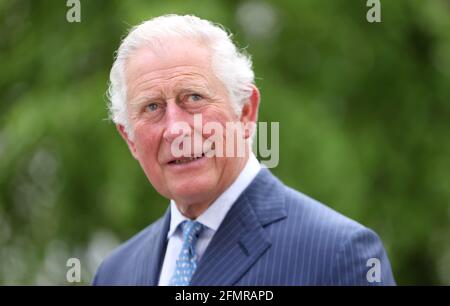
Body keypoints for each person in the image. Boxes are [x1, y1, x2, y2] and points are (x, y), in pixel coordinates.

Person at [93, 14, 395, 286]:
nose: (176, 129)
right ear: (130, 139)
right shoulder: (114, 273)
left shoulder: (339, 255)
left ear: (246, 111)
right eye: (152, 107)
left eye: (194, 98)